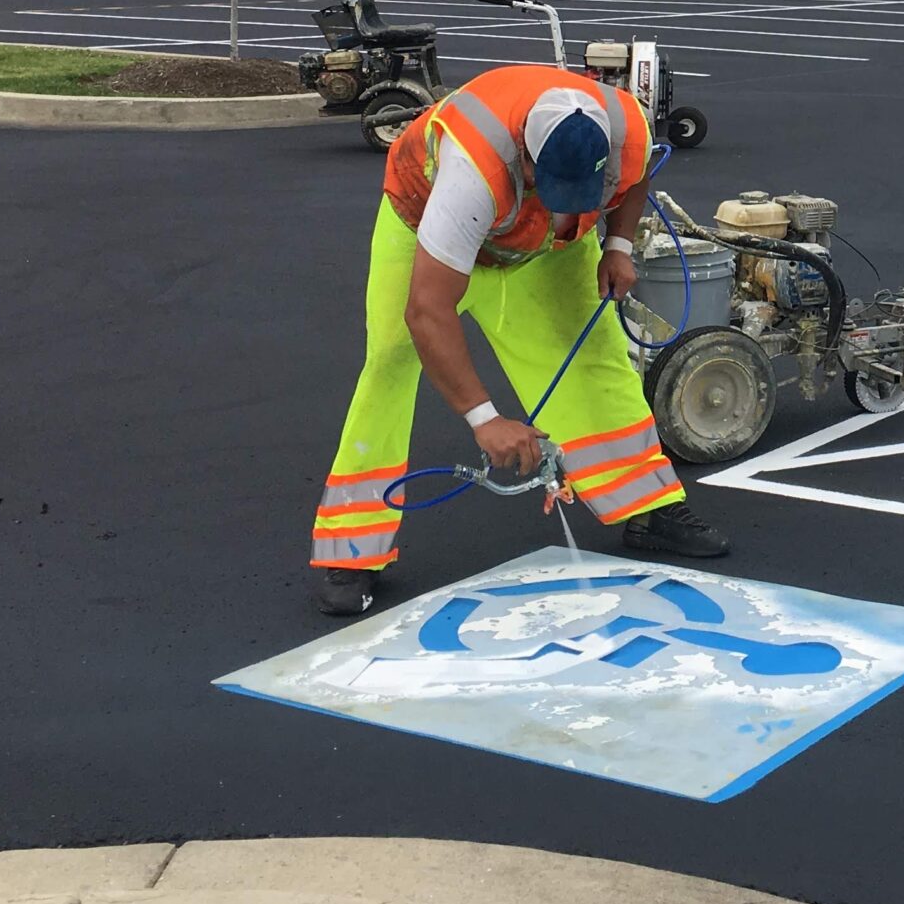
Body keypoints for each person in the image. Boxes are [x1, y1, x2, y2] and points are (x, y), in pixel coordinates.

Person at [309, 62, 727, 615]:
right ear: (526, 157)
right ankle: (353, 550)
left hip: (538, 247)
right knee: (389, 364)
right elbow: (429, 311)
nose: (566, 204)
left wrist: (618, 246)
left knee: (595, 354)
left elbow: (635, 174)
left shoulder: (626, 124)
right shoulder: (471, 170)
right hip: (424, 228)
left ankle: (645, 506)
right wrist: (485, 419)